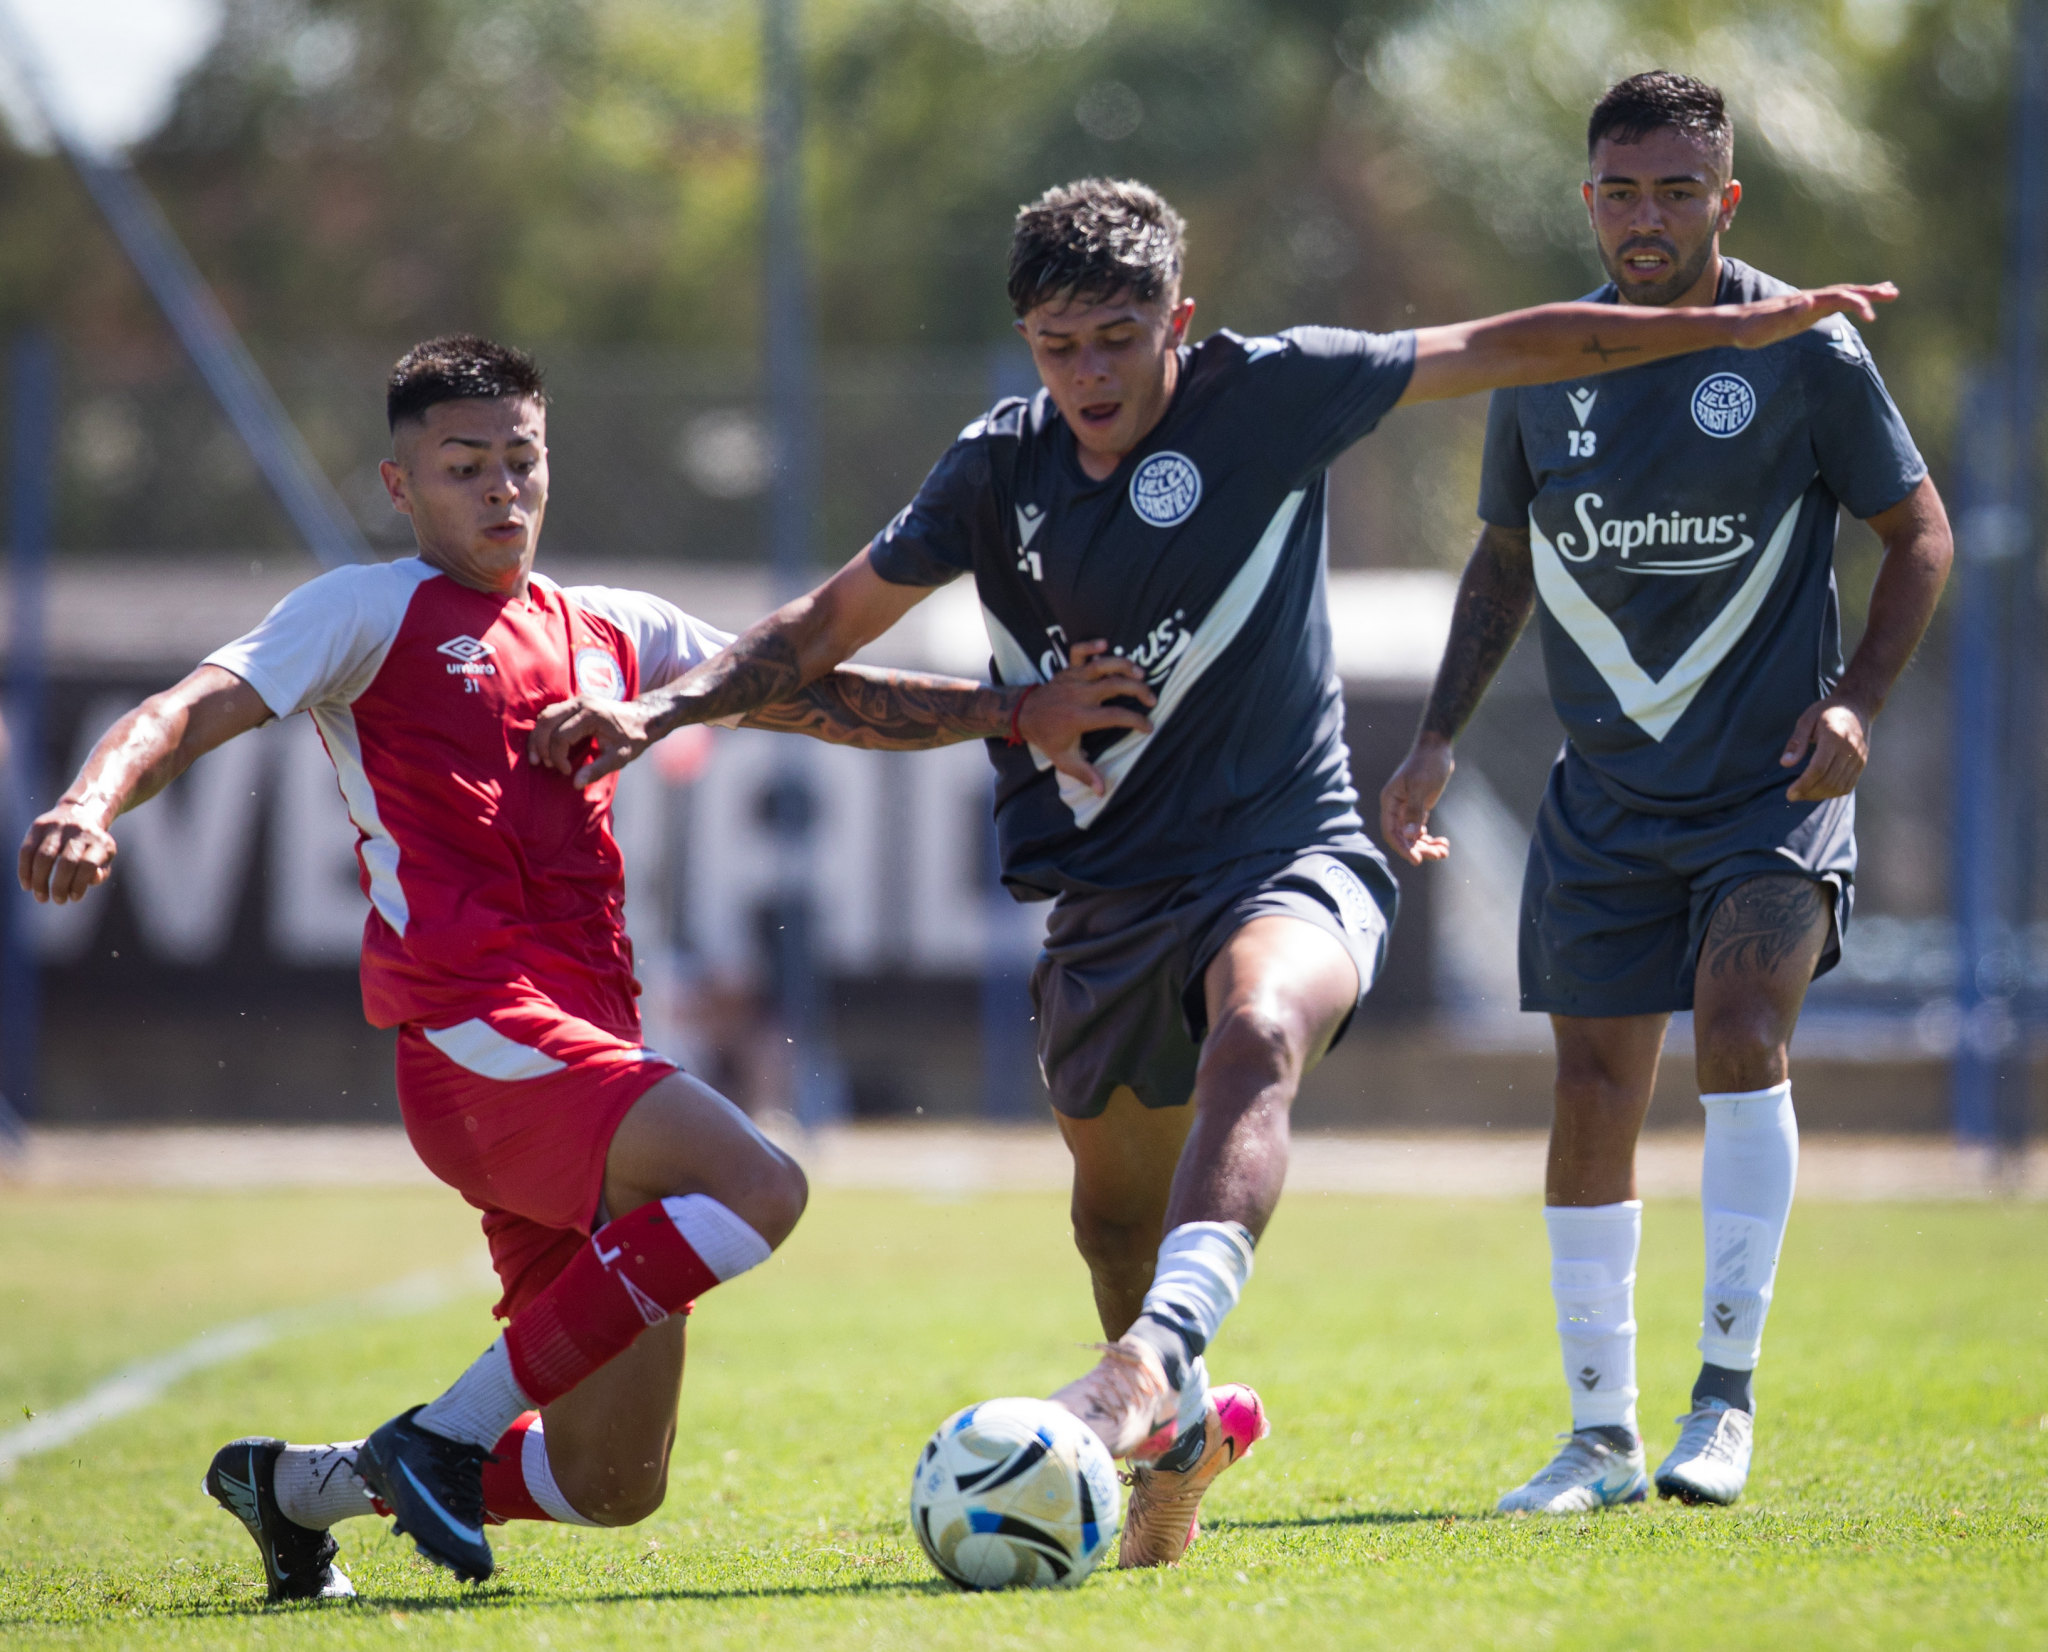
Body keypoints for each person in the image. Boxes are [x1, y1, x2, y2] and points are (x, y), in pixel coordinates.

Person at [526, 177, 1897, 1565]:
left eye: (1118, 339)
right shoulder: (995, 469)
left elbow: (1506, 346)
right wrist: (662, 709)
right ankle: (1182, 1427)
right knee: (1112, 1216)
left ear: (1176, 320)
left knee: (1260, 1023)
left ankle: (1147, 1363)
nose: (1089, 375)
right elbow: (824, 625)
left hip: (1292, 850)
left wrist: (1736, 328)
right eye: (1058, 347)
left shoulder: (1271, 392)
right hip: (1108, 898)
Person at [15, 335, 1147, 1600]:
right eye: (464, 466)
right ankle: (444, 1432)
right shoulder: (363, 611)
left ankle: (293, 1489)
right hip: (473, 1032)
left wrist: (1012, 711)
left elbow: (811, 694)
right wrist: (88, 799)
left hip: (584, 1045)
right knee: (760, 1182)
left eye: (521, 459)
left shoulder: (615, 627)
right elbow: (182, 710)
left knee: (612, 1480)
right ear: (400, 486)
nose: (502, 488)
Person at [1380, 73, 1951, 1514]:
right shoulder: (1544, 362)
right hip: (1606, 795)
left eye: (1677, 192)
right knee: (1590, 1089)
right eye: (1622, 192)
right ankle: (1599, 1438)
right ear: (1590, 200)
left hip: (1772, 786)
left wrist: (1854, 700)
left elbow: (1919, 532)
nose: (1647, 218)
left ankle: (1724, 1401)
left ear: (1725, 201)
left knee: (1741, 1027)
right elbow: (1504, 560)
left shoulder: (1804, 347)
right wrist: (1435, 739)